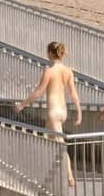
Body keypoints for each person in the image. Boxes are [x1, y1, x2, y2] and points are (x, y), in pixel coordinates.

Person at [15, 42, 83, 186]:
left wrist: (22, 104)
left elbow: (38, 92)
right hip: (62, 111)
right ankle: (48, 173)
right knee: (47, 141)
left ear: (51, 53)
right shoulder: (67, 71)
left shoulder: (49, 71)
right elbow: (73, 94)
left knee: (60, 144)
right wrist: (79, 113)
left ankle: (70, 177)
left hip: (53, 112)